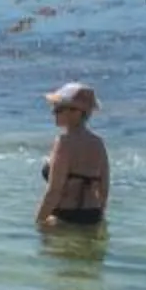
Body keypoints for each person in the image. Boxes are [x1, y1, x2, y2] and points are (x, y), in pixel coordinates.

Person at [36, 82, 110, 230]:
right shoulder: (99, 144)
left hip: (65, 217)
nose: (53, 112)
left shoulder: (64, 142)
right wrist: (98, 219)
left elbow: (54, 191)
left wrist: (39, 223)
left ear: (77, 112)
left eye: (59, 108)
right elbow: (104, 189)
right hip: (93, 216)